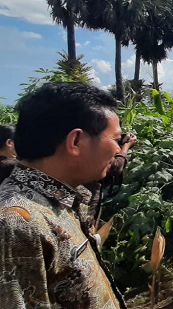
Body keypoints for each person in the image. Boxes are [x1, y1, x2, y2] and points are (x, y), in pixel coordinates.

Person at [0, 82, 126, 308]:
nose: (119, 151)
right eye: (116, 140)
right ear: (76, 141)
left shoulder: (60, 200)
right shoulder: (17, 222)